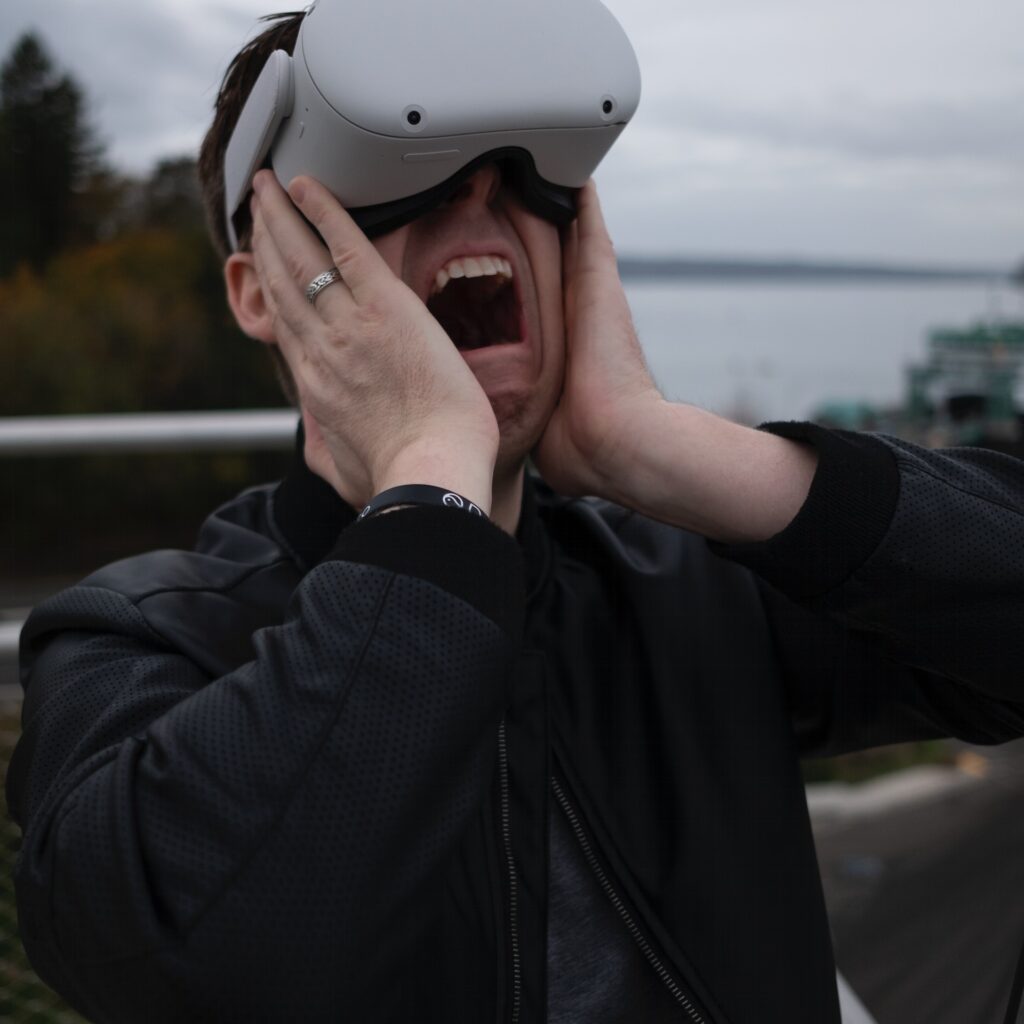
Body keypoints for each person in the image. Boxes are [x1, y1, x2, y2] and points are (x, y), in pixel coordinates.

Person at [7, 11, 1024, 1024]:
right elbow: (192, 962)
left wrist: (661, 449)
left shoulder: (686, 588)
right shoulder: (134, 642)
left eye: (532, 175)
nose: (478, 191)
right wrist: (431, 486)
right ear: (262, 290)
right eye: (396, 171)